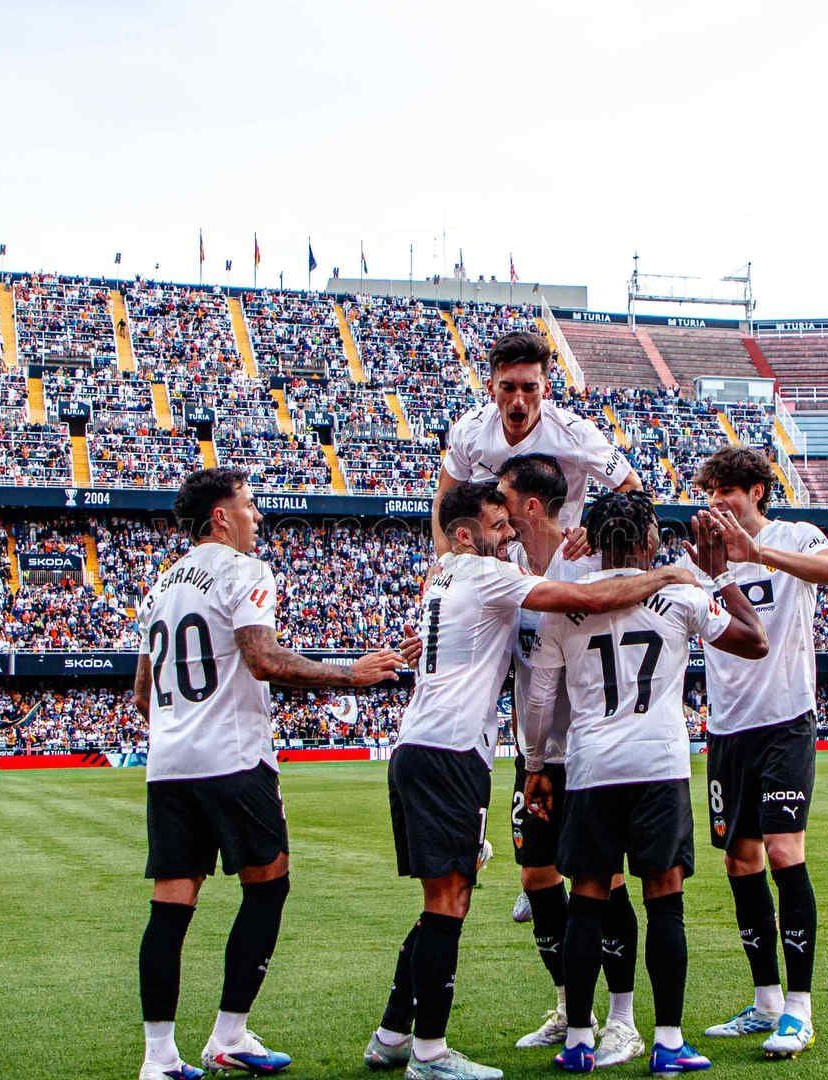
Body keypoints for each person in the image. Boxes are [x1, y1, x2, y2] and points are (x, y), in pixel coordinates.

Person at [364, 482, 696, 1080]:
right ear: (470, 534)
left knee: (465, 893)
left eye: (512, 513)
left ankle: (397, 1033)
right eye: (498, 520)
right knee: (463, 896)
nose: (510, 529)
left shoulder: (457, 568)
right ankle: (445, 1047)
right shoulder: (491, 573)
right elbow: (582, 599)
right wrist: (669, 576)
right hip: (481, 750)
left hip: (477, 746)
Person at [134, 468, 414, 1080]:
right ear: (221, 517)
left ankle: (158, 1057)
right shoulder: (244, 571)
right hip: (232, 759)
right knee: (267, 885)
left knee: (171, 905)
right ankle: (229, 1034)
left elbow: (142, 693)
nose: (257, 517)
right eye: (250, 506)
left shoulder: (159, 587)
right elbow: (262, 658)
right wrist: (351, 673)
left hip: (169, 762)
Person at [520, 492, 770, 1074]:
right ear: (650, 542)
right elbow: (754, 640)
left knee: (586, 901)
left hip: (590, 767)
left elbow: (539, 700)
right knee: (665, 902)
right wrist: (721, 575)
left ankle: (580, 1041)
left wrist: (537, 763)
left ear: (597, 542)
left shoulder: (567, 607)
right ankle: (668, 1042)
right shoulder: (683, 593)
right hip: (658, 766)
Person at [681, 447, 828, 1061]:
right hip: (728, 731)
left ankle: (801, 1011)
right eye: (708, 491)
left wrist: (759, 555)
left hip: (785, 722)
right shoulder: (701, 557)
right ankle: (767, 1003)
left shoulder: (794, 535)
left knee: (784, 852)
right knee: (740, 863)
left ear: (756, 491)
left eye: (725, 490)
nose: (715, 501)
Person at [495, 454, 640, 1064]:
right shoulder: (497, 565)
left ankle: (622, 1018)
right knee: (537, 876)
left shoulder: (582, 557)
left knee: (603, 881)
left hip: (586, 750)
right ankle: (566, 1005)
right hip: (535, 754)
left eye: (502, 499)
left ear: (531, 505)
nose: (494, 509)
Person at [432, 330, 639, 555]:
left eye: (530, 388)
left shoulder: (575, 434)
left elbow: (631, 486)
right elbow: (443, 501)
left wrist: (594, 531)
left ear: (546, 389)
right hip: (489, 568)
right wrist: (445, 564)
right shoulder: (470, 430)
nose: (518, 400)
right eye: (508, 387)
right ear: (491, 387)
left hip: (556, 566)